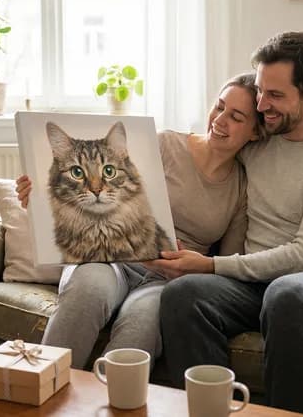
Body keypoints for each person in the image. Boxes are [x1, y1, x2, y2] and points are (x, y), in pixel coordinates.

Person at [152, 31, 303, 415]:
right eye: (260, 91)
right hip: (258, 283)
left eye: (276, 96)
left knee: (288, 295)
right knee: (183, 295)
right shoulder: (260, 139)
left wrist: (212, 264)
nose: (262, 105)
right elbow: (204, 154)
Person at [16, 73, 266, 370]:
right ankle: (43, 390)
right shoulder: (165, 145)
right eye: (220, 106)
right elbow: (94, 192)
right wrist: (37, 198)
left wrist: (196, 265)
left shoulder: (241, 187)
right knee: (87, 291)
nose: (220, 119)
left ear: (255, 132)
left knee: (141, 326)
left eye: (236, 117)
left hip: (167, 281)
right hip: (109, 258)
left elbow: (224, 266)